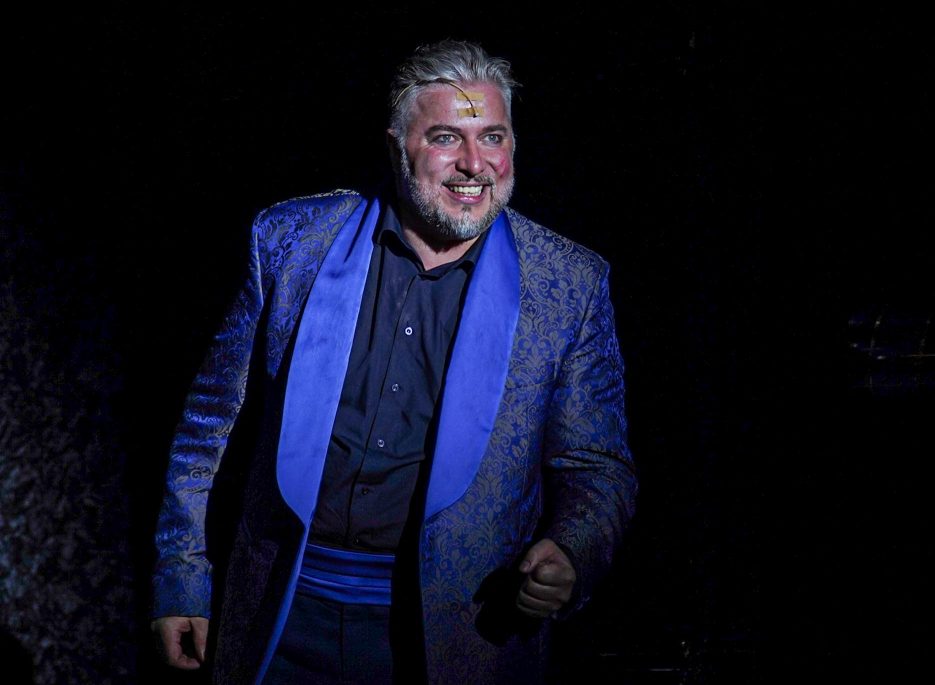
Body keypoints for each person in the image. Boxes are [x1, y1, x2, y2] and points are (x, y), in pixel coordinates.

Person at [151, 40, 636, 685]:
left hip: (458, 637)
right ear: (395, 146)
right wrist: (181, 577)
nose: (475, 164)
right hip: (280, 616)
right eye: (445, 137)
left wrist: (573, 550)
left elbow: (597, 468)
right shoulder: (292, 242)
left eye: (492, 137)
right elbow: (207, 429)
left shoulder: (569, 284)